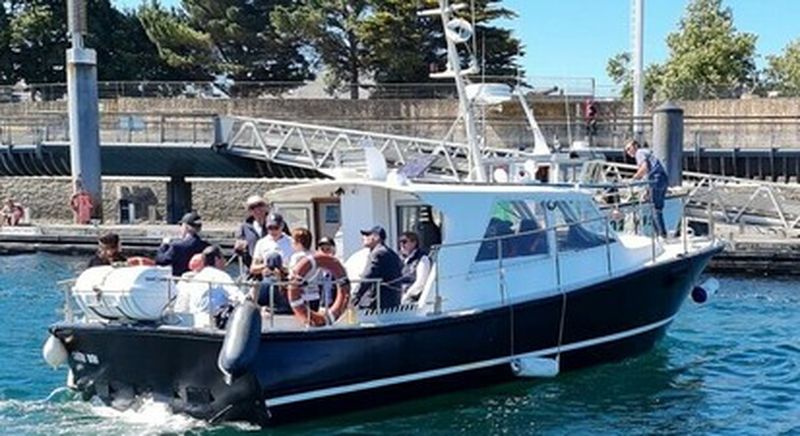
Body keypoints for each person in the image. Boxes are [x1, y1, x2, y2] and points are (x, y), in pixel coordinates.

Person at [625, 139, 669, 238]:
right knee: (658, 208)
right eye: (626, 150)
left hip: (655, 180)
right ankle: (661, 234)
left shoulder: (639, 153)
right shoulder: (646, 152)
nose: (628, 152)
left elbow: (645, 168)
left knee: (654, 209)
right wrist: (647, 190)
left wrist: (633, 179)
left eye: (629, 148)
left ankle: (661, 235)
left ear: (635, 146)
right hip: (662, 179)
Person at [353, 225, 403, 311]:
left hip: (376, 305)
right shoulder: (393, 254)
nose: (363, 238)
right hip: (392, 304)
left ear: (376, 237)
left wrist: (355, 297)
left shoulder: (377, 254)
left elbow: (367, 277)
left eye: (367, 235)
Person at [155, 211, 210, 276]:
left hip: (180, 282)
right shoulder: (207, 247)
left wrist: (164, 245)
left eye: (181, 225)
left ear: (186, 227)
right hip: (199, 282)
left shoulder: (177, 246)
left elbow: (160, 261)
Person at [250, 213, 293, 278]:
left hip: (287, 279)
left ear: (282, 226)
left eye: (276, 228)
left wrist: (282, 268)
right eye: (270, 228)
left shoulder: (291, 242)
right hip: (267, 278)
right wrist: (268, 265)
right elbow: (253, 268)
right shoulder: (261, 243)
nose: (273, 231)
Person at [234, 195, 269, 267]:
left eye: (260, 205)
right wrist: (238, 247)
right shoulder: (244, 227)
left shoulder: (276, 224)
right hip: (253, 269)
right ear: (249, 211)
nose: (257, 209)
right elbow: (239, 251)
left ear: (266, 207)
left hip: (272, 269)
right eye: (253, 207)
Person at [398, 231, 431, 304]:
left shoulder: (422, 259)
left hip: (413, 300)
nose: (401, 245)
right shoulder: (401, 259)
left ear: (414, 243)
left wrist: (406, 296)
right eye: (400, 242)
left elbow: (420, 283)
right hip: (400, 297)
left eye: (404, 242)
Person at [316, 237, 337, 307]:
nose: (325, 252)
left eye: (328, 249)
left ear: (333, 251)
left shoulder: (339, 269)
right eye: (322, 249)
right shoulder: (314, 270)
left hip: (334, 306)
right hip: (319, 306)